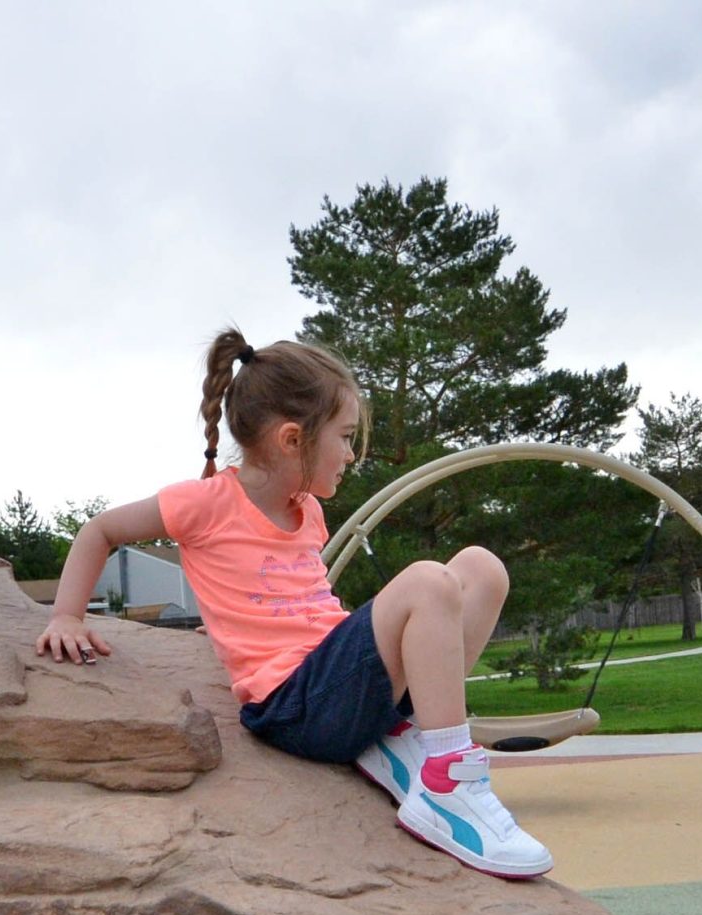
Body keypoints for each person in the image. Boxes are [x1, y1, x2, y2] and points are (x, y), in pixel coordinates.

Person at [34, 329, 552, 880]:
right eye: (345, 437)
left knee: (481, 568)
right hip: (294, 707)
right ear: (291, 439)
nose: (350, 455)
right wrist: (67, 616)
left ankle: (413, 737)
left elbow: (296, 601)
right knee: (429, 582)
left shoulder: (307, 509)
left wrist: (243, 628)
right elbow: (100, 530)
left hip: (332, 684)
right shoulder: (204, 503)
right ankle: (447, 783)